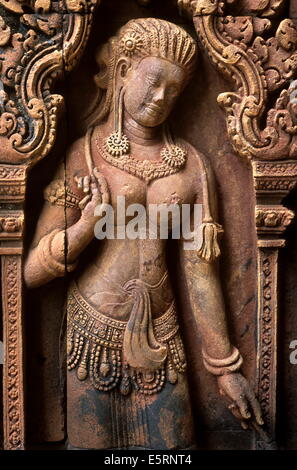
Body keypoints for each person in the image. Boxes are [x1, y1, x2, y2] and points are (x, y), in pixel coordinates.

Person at [24, 18, 263, 449]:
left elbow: (199, 271)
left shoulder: (192, 166)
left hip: (162, 335)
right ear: (121, 73)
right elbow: (33, 273)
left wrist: (224, 367)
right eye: (153, 82)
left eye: (174, 90)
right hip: (91, 337)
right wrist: (85, 226)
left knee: (174, 451)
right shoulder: (85, 155)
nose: (161, 98)